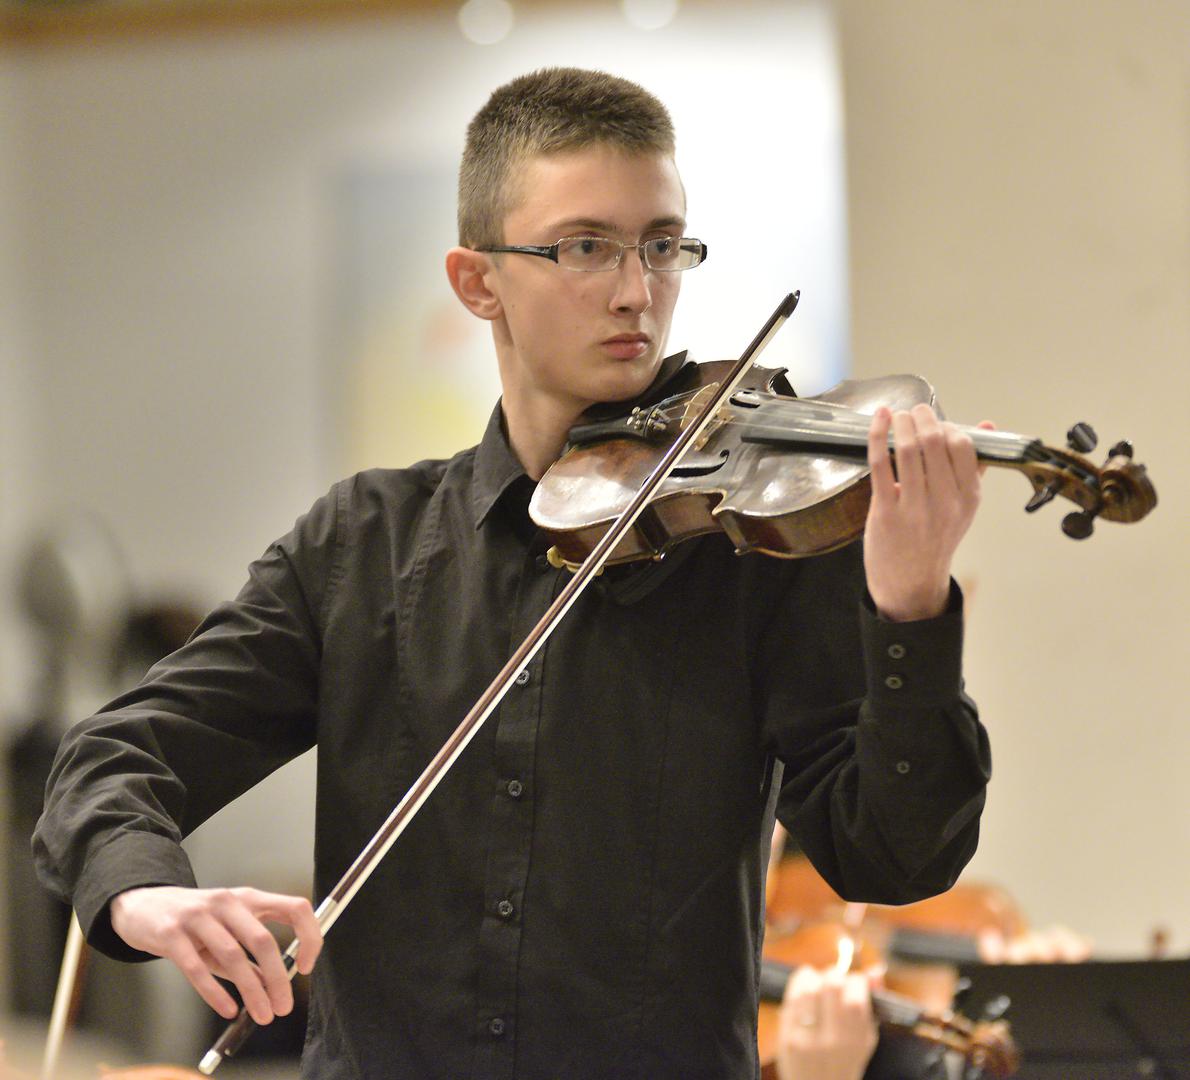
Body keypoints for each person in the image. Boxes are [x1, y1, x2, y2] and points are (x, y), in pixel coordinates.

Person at [34, 68, 991, 1079]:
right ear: (477, 282)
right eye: (585, 247)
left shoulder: (751, 551)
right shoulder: (361, 546)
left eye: (661, 245)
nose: (636, 291)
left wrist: (910, 607)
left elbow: (895, 854)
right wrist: (143, 893)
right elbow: (113, 757)